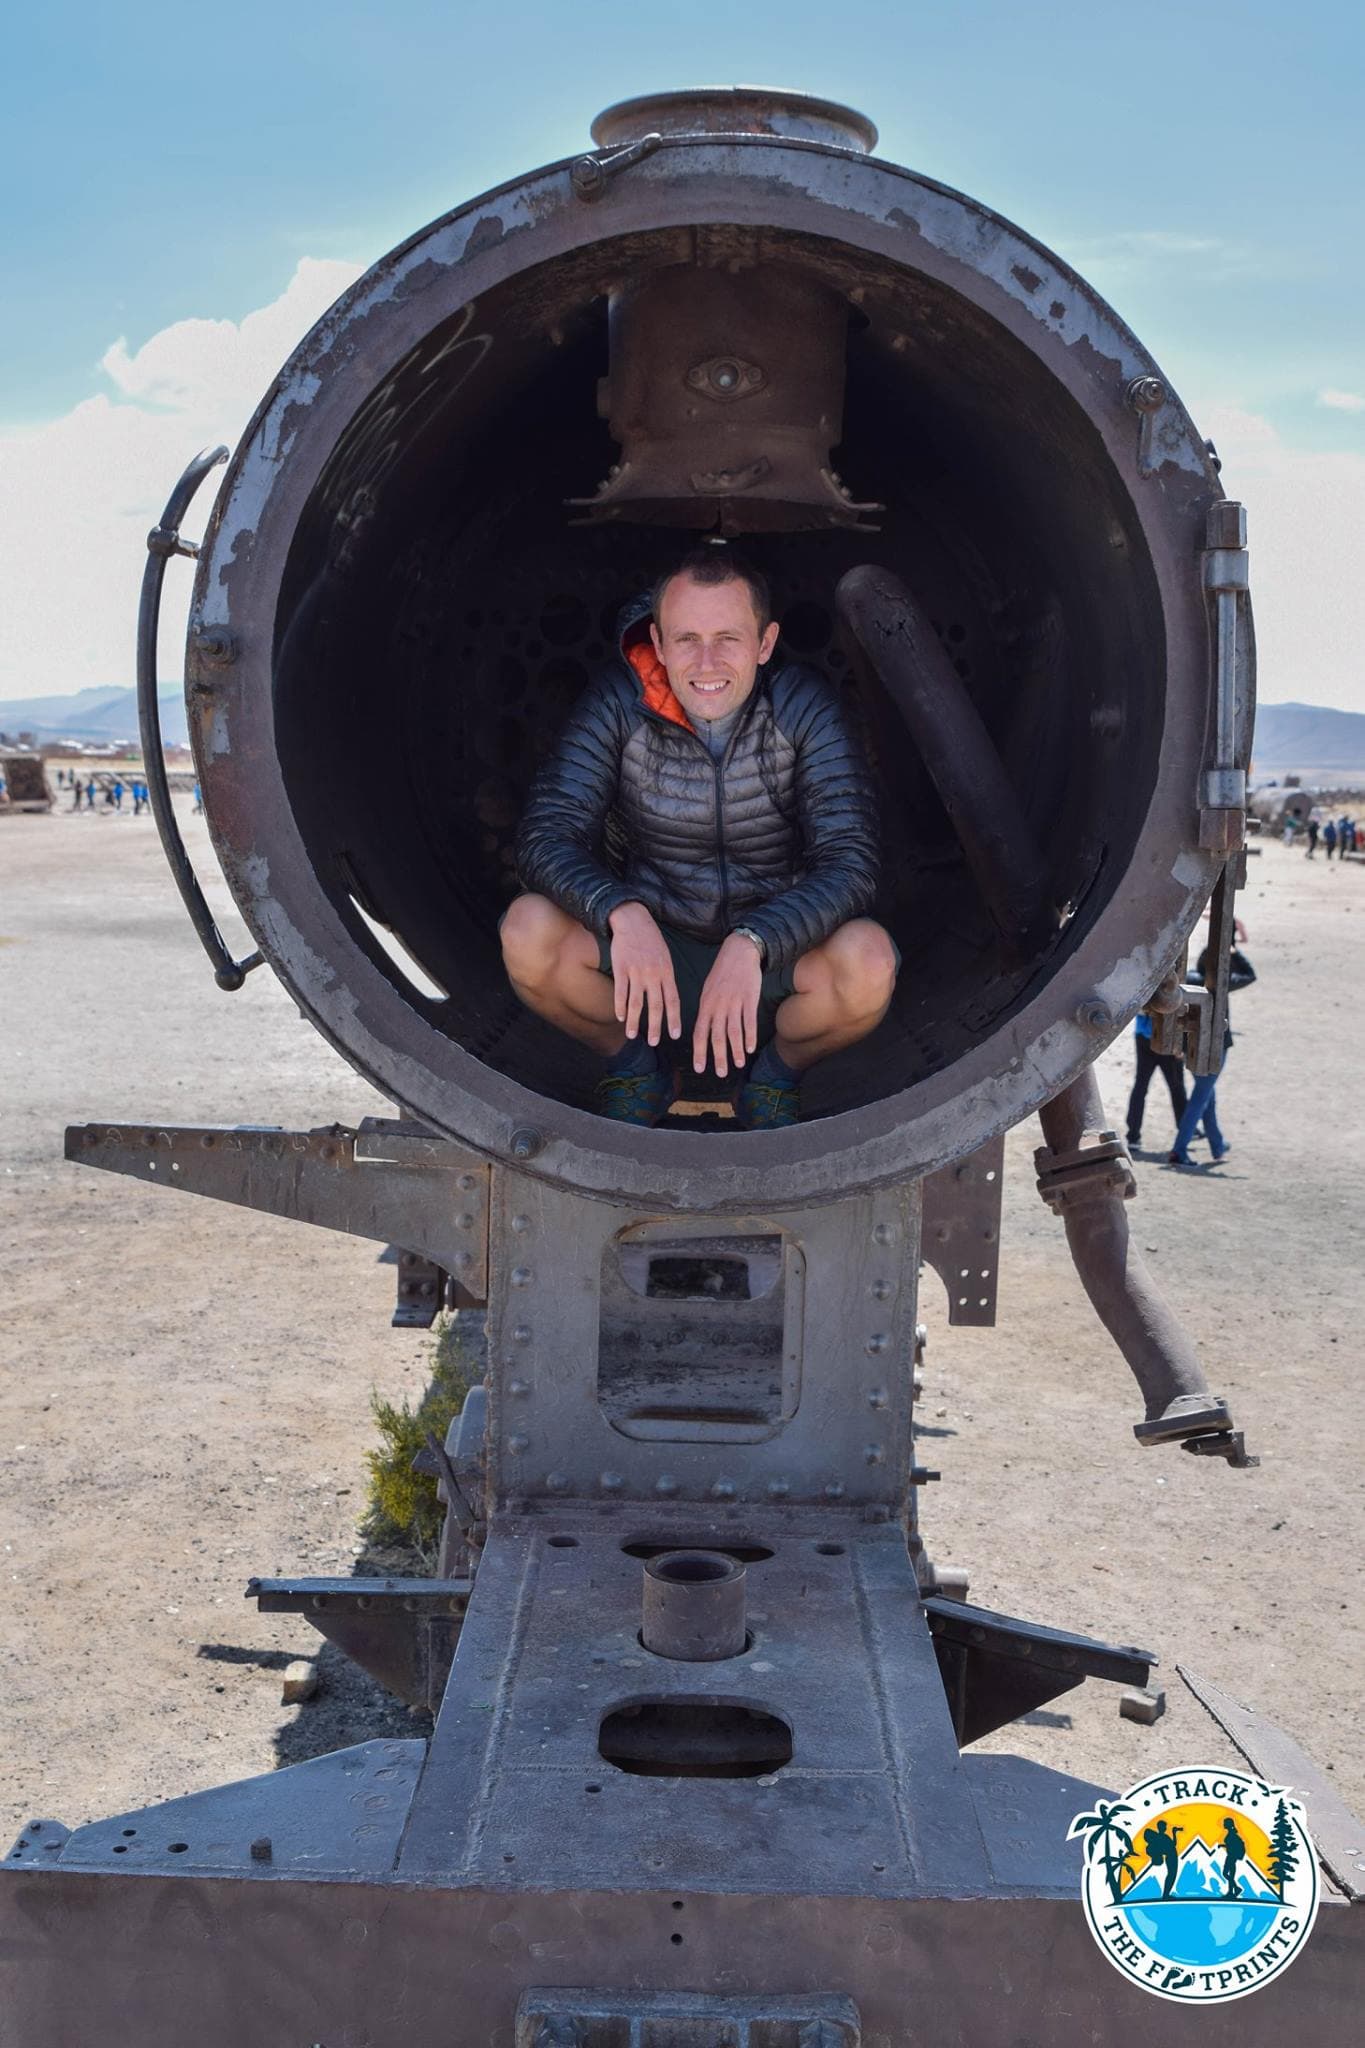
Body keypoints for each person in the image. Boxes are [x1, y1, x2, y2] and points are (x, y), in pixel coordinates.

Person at [502, 550, 896, 1128]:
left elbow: (852, 862)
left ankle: (772, 1078)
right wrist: (621, 912)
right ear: (658, 644)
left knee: (868, 961)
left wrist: (756, 940)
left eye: (728, 638)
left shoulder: (801, 708)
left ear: (765, 644)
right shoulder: (618, 705)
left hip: (773, 963)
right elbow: (546, 834)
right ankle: (637, 1067)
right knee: (528, 931)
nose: (706, 661)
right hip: (652, 952)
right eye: (687, 639)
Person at [1168, 938, 1256, 1167]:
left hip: (1191, 1048)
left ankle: (1217, 1145)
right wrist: (1235, 953)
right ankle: (1179, 1149)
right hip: (1216, 1048)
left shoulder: (1190, 980)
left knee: (1207, 1097)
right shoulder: (1222, 982)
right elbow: (1249, 975)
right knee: (1200, 1098)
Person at [1125, 1013, 1189, 1150]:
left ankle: (1133, 1136)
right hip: (1168, 1039)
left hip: (1143, 1035)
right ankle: (1186, 1129)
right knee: (1176, 1086)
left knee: (1141, 1086)